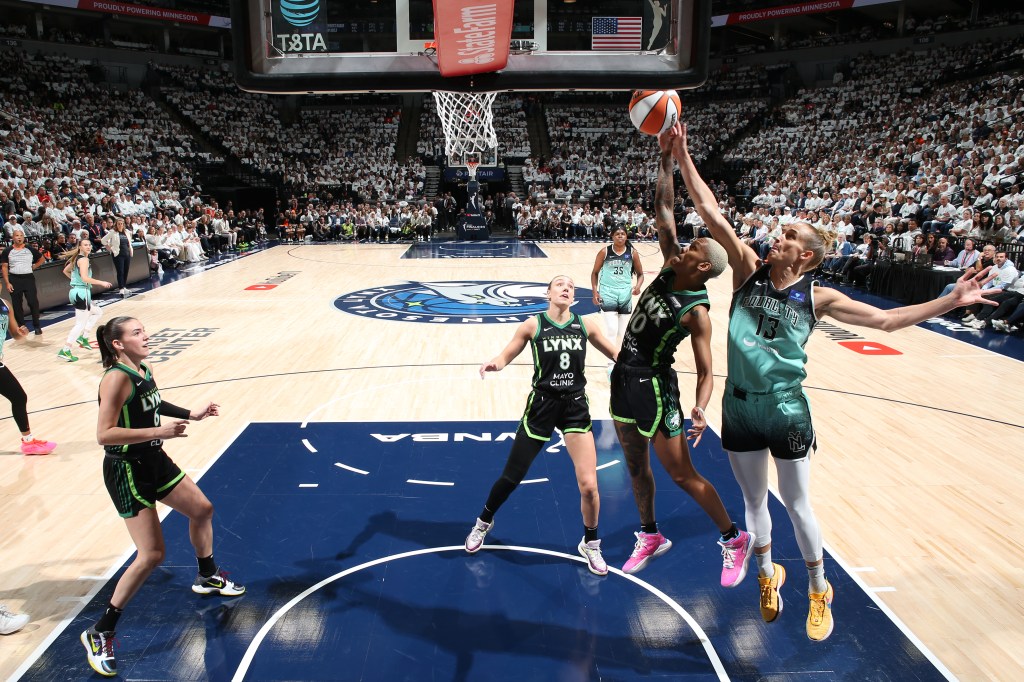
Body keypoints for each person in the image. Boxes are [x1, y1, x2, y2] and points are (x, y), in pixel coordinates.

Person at [672, 121, 998, 642]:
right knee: (755, 504)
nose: (775, 239)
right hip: (738, 406)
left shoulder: (817, 298)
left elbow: (887, 322)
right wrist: (683, 155)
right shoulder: (746, 269)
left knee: (798, 504)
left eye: (787, 237)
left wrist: (949, 300)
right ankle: (765, 575)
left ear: (804, 255)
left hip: (784, 407)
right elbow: (711, 211)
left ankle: (819, 588)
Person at [609, 129, 752, 586]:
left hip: (656, 386)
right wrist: (665, 158)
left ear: (704, 266)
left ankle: (733, 539)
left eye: (692, 248)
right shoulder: (672, 263)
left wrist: (700, 409)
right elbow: (664, 210)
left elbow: (709, 371)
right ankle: (650, 534)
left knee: (680, 473)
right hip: (622, 378)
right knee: (634, 465)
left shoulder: (698, 312)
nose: (682, 246)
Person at [81, 316, 245, 678]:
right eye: (137, 333)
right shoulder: (116, 378)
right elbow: (104, 434)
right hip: (126, 469)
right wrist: (161, 431)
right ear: (117, 344)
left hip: (153, 459)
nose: (146, 335)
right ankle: (101, 630)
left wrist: (190, 414)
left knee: (202, 508)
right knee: (152, 554)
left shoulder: (142, 368)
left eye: (144, 330)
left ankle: (206, 575)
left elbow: (152, 402)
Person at [466, 275, 619, 575]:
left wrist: (637, 362)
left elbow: (614, 353)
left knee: (589, 485)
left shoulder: (586, 325)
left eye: (571, 286)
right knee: (512, 477)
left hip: (575, 405)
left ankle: (590, 542)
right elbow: (506, 355)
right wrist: (492, 364)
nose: (566, 288)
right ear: (548, 293)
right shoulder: (533, 325)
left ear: (574, 296)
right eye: (560, 285)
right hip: (542, 406)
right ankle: (483, 522)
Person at [0, 298, 57, 455]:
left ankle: (28, 442)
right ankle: (28, 441)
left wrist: (21, 333)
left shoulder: (5, 304)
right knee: (19, 397)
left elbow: (15, 335)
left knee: (19, 397)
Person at [591, 225, 644, 375]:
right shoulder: (604, 252)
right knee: (612, 330)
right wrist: (595, 292)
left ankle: (623, 361)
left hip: (625, 294)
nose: (620, 236)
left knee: (623, 332)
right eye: (617, 234)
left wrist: (638, 286)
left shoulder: (632, 253)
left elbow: (640, 274)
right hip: (608, 292)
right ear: (612, 236)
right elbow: (594, 273)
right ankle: (610, 365)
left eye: (622, 234)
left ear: (626, 236)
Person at [57, 239, 112, 362]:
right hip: (82, 292)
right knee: (80, 324)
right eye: (85, 245)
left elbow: (65, 271)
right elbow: (85, 278)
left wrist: (75, 280)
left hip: (75, 291)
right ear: (80, 247)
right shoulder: (84, 260)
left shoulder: (76, 258)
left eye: (89, 244)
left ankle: (84, 337)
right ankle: (66, 349)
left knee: (98, 312)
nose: (88, 246)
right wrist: (101, 282)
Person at [1, 226, 45, 336]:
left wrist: (34, 266)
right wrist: (7, 282)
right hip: (14, 279)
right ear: (13, 237)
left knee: (33, 302)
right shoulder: (7, 251)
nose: (19, 238)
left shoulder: (29, 249)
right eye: (17, 236)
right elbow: (5, 267)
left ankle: (37, 326)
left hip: (28, 278)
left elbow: (42, 258)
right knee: (16, 304)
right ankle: (21, 326)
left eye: (21, 236)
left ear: (23, 237)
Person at [100, 217, 133, 297]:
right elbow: (103, 240)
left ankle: (124, 286)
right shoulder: (112, 232)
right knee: (120, 271)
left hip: (127, 254)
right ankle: (121, 288)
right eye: (119, 224)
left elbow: (129, 242)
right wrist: (110, 248)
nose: (120, 225)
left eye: (122, 224)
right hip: (118, 254)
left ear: (123, 224)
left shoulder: (127, 232)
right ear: (116, 224)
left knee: (126, 271)